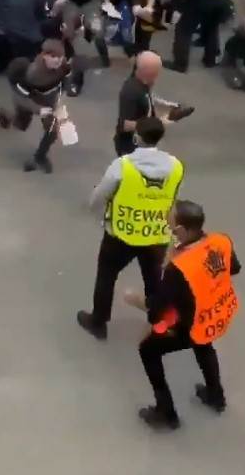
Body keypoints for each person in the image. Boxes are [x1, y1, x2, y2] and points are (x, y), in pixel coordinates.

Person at [77, 116, 184, 340]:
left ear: (137, 138)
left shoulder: (123, 165)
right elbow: (172, 199)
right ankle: (157, 320)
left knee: (107, 275)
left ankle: (99, 321)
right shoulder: (175, 166)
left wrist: (97, 213)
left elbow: (100, 195)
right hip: (156, 235)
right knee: (153, 279)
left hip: (121, 234)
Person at [138, 199, 240, 429]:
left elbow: (157, 307)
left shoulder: (179, 267)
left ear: (182, 231)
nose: (169, 230)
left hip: (190, 321)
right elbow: (233, 268)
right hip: (214, 312)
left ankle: (166, 412)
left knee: (148, 350)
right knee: (204, 345)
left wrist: (137, 300)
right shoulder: (221, 241)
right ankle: (215, 395)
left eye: (171, 226)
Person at [0, 38, 71, 173]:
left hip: (49, 102)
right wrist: (38, 109)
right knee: (21, 125)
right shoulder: (32, 74)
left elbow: (66, 80)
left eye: (60, 57)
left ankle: (39, 158)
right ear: (44, 56)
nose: (58, 60)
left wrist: (61, 99)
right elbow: (20, 97)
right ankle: (6, 116)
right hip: (29, 101)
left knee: (52, 130)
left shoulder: (63, 65)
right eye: (53, 56)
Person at [114, 51, 193, 156]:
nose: (156, 77)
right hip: (131, 146)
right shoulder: (130, 92)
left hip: (144, 138)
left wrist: (170, 107)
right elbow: (125, 125)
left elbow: (149, 99)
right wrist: (158, 123)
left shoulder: (142, 80)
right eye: (155, 74)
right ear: (148, 73)